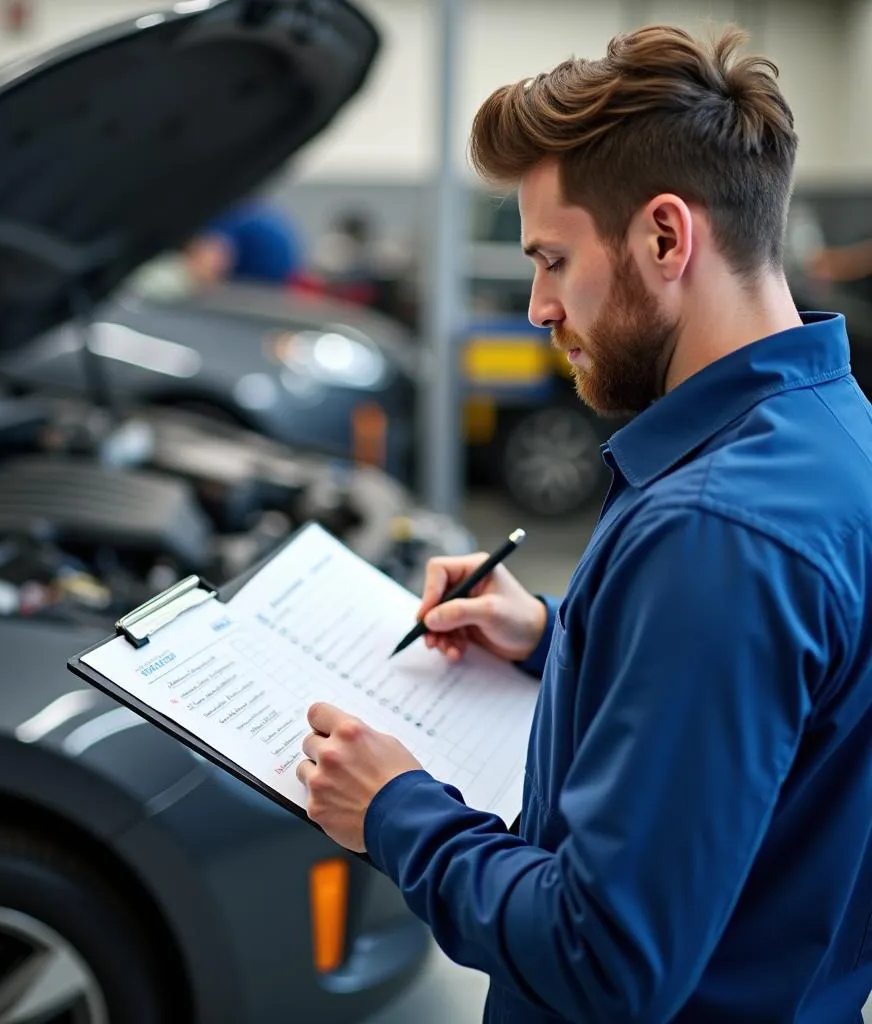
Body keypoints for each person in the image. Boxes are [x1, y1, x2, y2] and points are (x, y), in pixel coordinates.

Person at [294, 22, 872, 1024]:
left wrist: (395, 811)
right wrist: (556, 638)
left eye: (552, 260)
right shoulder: (832, 432)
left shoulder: (716, 534)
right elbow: (777, 714)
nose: (536, 307)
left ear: (662, 237)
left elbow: (602, 958)